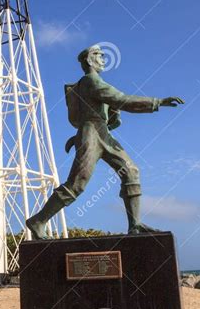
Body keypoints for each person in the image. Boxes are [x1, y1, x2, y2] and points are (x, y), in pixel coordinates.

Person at [26, 44, 184, 239]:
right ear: (91, 59)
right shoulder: (91, 81)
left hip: (101, 133)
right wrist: (157, 102)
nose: (103, 60)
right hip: (92, 133)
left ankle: (134, 225)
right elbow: (121, 100)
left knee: (130, 171)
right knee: (77, 184)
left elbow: (100, 112)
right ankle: (38, 221)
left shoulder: (91, 82)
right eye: (100, 56)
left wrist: (78, 136)